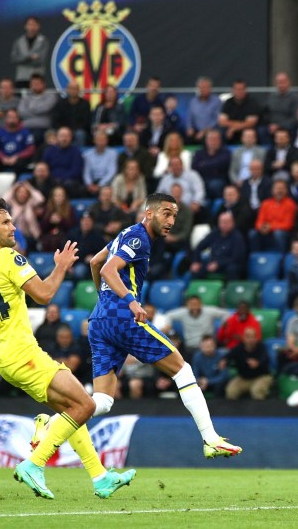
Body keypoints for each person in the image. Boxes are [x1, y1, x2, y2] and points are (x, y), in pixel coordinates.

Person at [0, 198, 134, 499]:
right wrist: (61, 268)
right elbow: (44, 294)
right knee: (85, 406)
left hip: (6, 361)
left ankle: (100, 477)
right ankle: (35, 461)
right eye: (5, 222)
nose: (13, 226)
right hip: (25, 356)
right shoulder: (9, 258)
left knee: (74, 410)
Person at [77, 193, 241, 461]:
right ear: (149, 213)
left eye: (175, 215)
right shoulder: (138, 237)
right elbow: (107, 269)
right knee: (182, 369)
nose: (172, 221)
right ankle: (211, 438)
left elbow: (95, 262)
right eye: (167, 213)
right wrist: (129, 301)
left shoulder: (125, 234)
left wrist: (104, 298)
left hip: (99, 320)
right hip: (123, 318)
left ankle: (49, 424)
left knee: (103, 401)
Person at [223, 327, 273, 400]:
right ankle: (249, 389)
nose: (250, 339)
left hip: (261, 376)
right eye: (247, 337)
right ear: (243, 338)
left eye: (252, 337)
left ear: (256, 338)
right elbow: (228, 356)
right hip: (243, 378)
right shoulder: (238, 348)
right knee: (231, 393)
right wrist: (224, 361)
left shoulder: (261, 347)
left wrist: (258, 363)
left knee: (257, 394)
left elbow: (265, 359)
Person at [11, 17, 49, 88]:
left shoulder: (43, 41)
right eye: (30, 24)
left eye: (34, 25)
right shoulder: (19, 41)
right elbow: (14, 59)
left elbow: (41, 60)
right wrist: (30, 57)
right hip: (22, 77)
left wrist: (23, 60)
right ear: (25, 26)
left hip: (38, 78)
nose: (32, 27)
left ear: (38, 26)